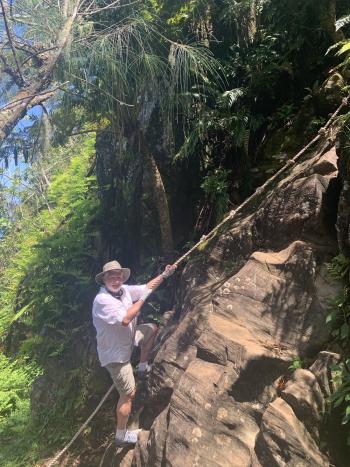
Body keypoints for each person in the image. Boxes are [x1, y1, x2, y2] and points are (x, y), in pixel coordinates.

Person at [92, 260, 176, 447]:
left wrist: (164, 275)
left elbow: (147, 287)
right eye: (111, 276)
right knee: (128, 394)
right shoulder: (102, 300)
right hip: (115, 357)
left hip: (128, 342)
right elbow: (126, 318)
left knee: (152, 328)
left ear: (122, 276)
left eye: (118, 275)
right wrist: (143, 298)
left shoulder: (124, 290)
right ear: (104, 279)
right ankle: (121, 437)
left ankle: (143, 367)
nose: (115, 279)